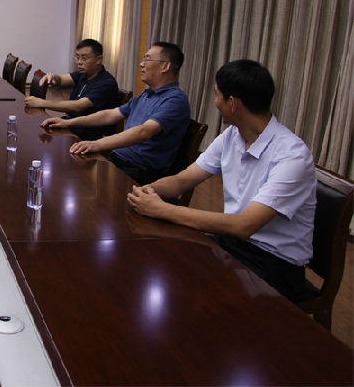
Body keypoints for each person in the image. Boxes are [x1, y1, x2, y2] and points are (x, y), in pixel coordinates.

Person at [127, 60, 316, 303]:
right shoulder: (232, 136)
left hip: (274, 263)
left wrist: (162, 210)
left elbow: (244, 225)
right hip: (233, 245)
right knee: (163, 263)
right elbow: (185, 179)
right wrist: (146, 191)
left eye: (217, 95)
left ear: (233, 103)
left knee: (190, 293)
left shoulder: (292, 155)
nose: (215, 103)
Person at [41, 41, 190, 184]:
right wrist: (68, 122)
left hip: (140, 171)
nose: (141, 64)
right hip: (119, 159)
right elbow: (111, 115)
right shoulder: (146, 95)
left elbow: (144, 132)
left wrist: (98, 144)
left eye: (147, 59)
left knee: (73, 177)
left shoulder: (175, 100)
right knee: (64, 167)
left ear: (165, 66)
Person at [25, 38, 121, 140]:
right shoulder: (83, 74)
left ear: (99, 60)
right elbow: (61, 80)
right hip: (71, 125)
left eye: (84, 58)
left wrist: (41, 103)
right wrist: (53, 77)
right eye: (77, 57)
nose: (79, 62)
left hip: (89, 135)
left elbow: (78, 106)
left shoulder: (106, 83)